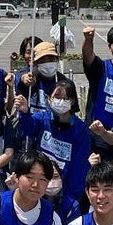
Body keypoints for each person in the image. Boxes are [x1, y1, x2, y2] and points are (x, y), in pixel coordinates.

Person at [16, 78, 94, 210]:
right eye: (57, 96)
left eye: (66, 98)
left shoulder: (81, 131)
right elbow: (29, 129)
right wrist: (25, 113)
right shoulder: (43, 118)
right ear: (49, 98)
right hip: (39, 183)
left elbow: (79, 170)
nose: (61, 101)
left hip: (64, 192)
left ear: (73, 101)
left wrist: (70, 201)